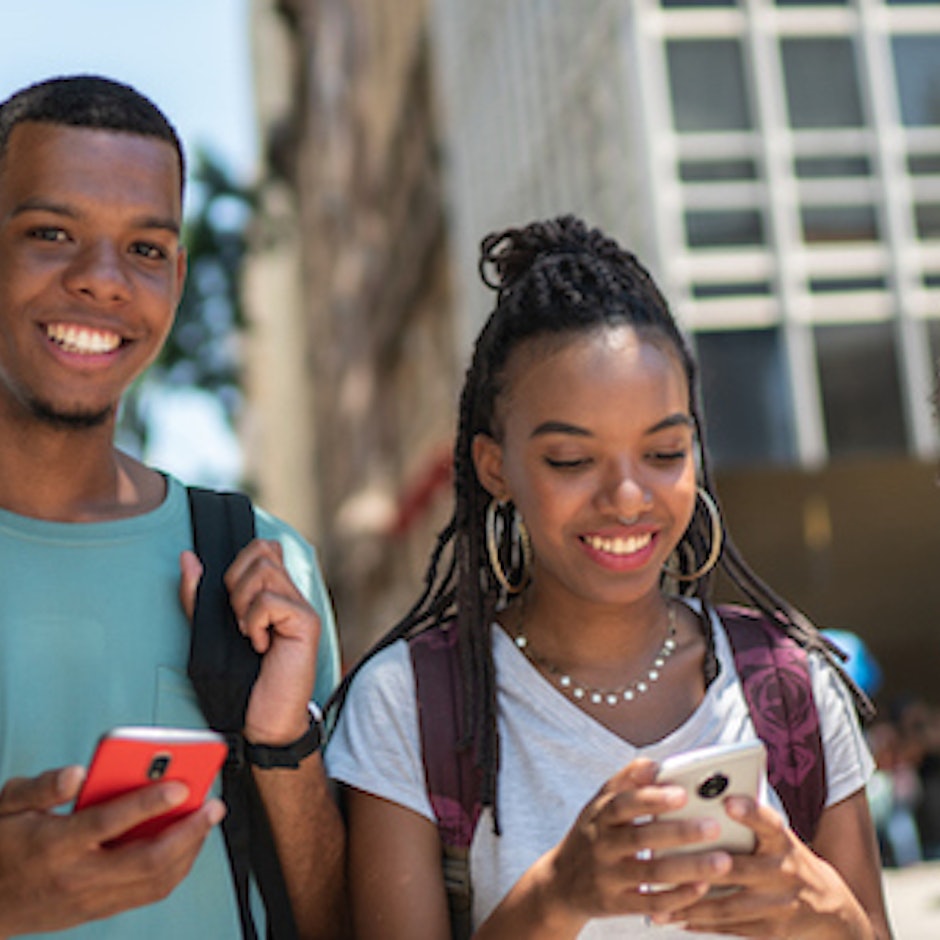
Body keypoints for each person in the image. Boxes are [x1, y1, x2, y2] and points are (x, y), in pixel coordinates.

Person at [325, 216, 893, 938]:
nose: (627, 498)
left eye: (664, 453)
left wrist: (824, 910)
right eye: (572, 460)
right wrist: (558, 895)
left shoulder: (790, 684)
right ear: (495, 468)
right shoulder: (408, 706)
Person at [0, 75, 345, 938]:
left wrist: (283, 746)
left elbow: (339, 921)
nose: (103, 281)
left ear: (178, 277)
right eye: (51, 234)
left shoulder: (260, 565)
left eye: (146, 249)